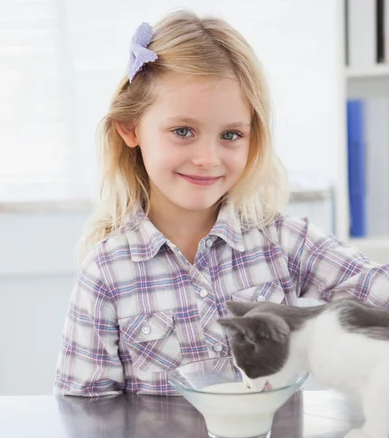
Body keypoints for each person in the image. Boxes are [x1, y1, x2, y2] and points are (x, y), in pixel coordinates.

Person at [54, 11, 389, 398]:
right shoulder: (106, 273)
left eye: (230, 135)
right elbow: (85, 416)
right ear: (130, 129)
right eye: (183, 131)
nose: (208, 158)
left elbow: (375, 290)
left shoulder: (282, 240)